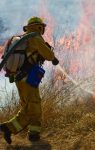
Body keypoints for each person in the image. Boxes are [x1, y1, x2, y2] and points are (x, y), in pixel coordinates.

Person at [0, 16, 59, 144]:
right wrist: (53, 57)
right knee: (35, 104)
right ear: (38, 27)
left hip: (19, 78)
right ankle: (34, 135)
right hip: (27, 78)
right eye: (42, 27)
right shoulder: (35, 37)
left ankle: (8, 128)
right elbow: (48, 55)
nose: (43, 30)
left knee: (27, 107)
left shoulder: (24, 39)